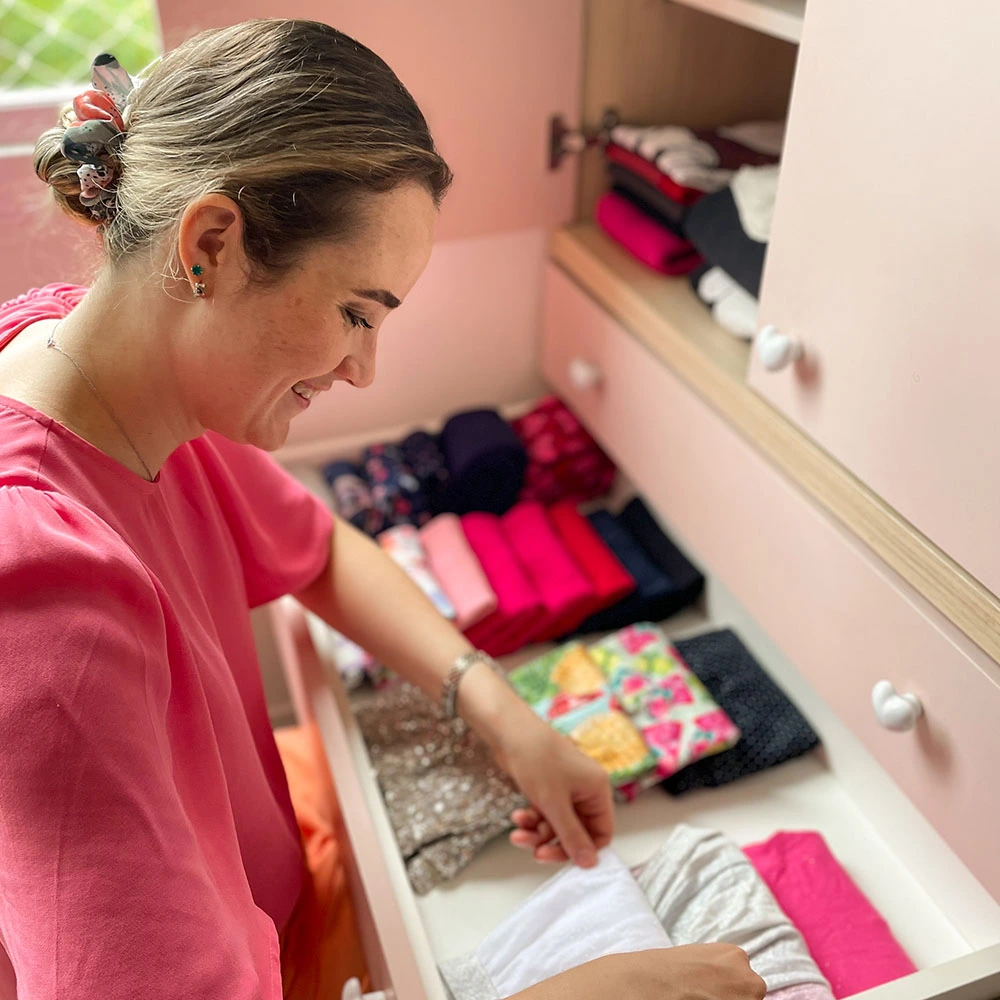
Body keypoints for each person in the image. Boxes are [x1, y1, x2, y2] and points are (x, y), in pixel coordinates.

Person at [0, 18, 765, 1000]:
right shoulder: (43, 594)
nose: (364, 370)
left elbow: (318, 551)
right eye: (357, 312)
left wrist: (500, 713)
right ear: (210, 247)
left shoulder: (114, 376)